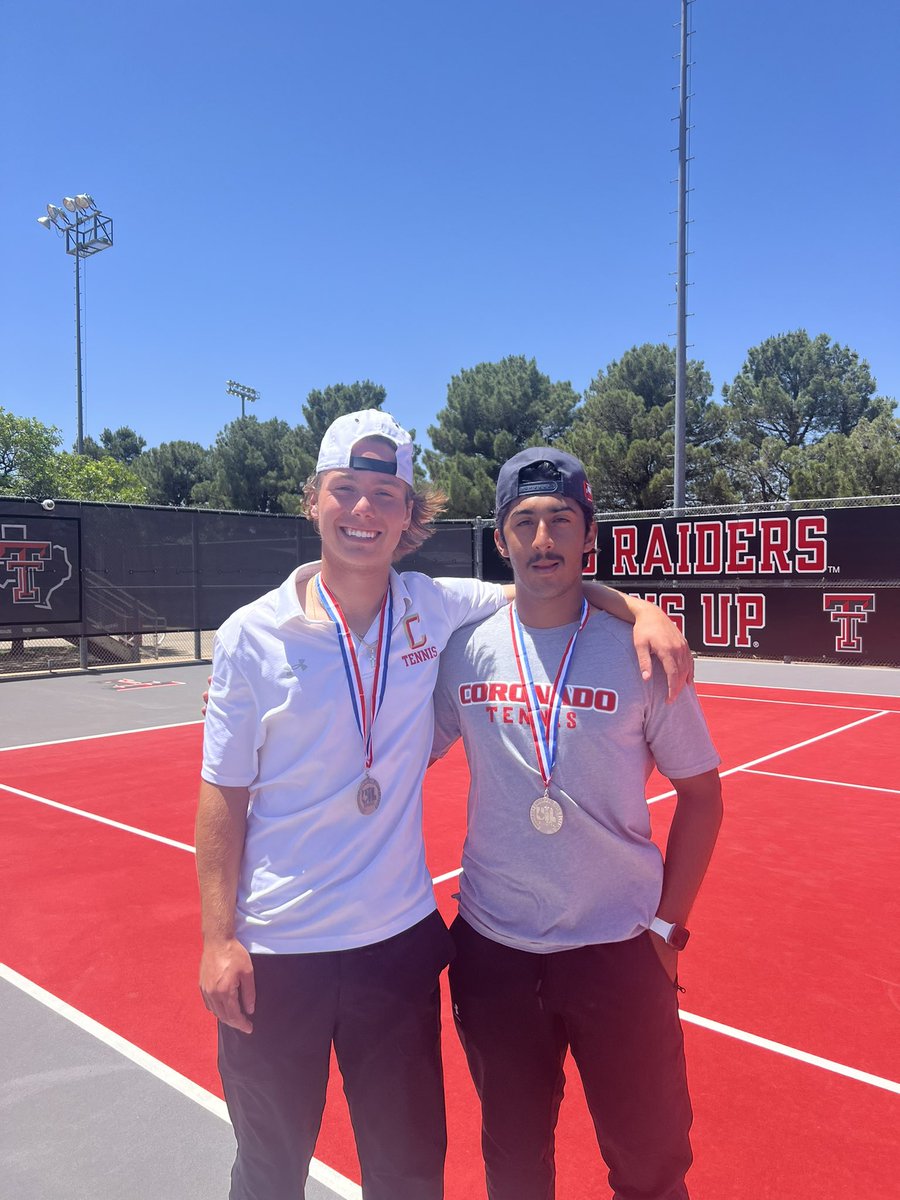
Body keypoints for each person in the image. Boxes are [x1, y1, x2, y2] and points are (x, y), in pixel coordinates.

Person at [196, 411, 693, 1200]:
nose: (363, 510)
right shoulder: (250, 636)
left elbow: (546, 580)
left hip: (395, 949)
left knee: (408, 1175)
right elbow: (222, 793)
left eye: (383, 494)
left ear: (407, 515)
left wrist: (640, 608)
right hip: (275, 952)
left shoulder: (434, 607)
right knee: (267, 1173)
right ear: (313, 500)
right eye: (345, 490)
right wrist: (218, 936)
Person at [431, 446, 723, 1200]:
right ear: (499, 539)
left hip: (619, 952)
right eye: (523, 522)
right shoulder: (467, 650)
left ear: (589, 534)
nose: (542, 539)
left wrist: (667, 931)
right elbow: (387, 749)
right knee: (515, 1166)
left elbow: (703, 793)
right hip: (495, 952)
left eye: (561, 519)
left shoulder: (641, 651)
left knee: (652, 1165)